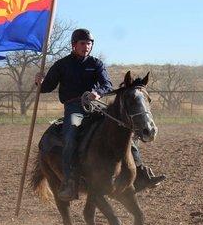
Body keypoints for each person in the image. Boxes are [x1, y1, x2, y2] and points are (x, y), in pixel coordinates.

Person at [35, 28, 165, 201]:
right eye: (83, 43)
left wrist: (97, 93)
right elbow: (46, 88)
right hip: (74, 109)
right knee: (70, 136)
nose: (86, 46)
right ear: (74, 45)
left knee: (125, 130)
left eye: (89, 44)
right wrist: (40, 82)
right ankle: (70, 181)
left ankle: (141, 173)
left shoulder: (96, 64)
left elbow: (107, 84)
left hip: (96, 106)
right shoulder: (62, 65)